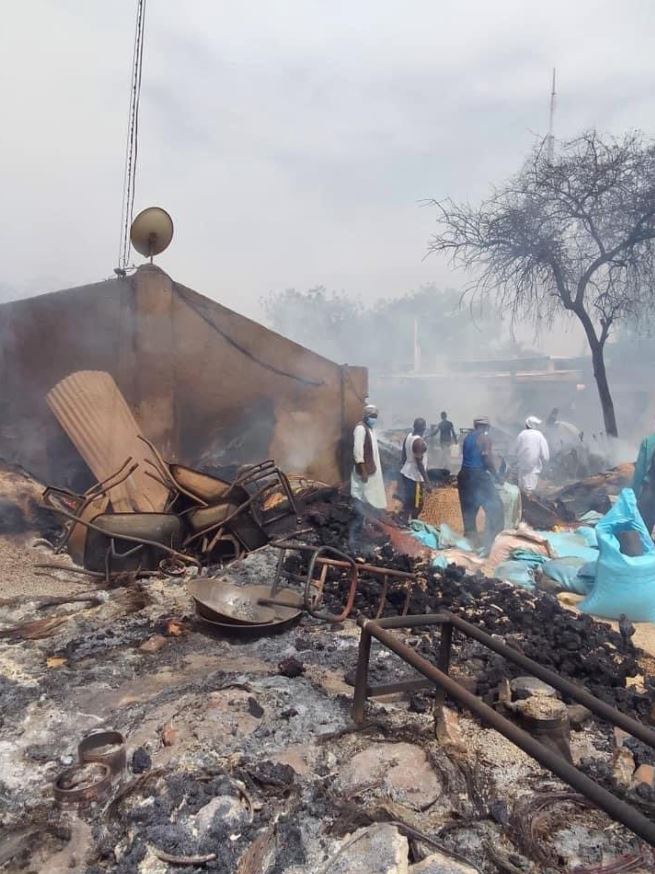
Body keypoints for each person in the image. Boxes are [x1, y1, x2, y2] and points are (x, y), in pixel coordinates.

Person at [457, 416, 504, 549]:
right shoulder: (485, 438)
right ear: (485, 427)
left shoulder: (466, 438)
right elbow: (487, 460)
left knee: (469, 511)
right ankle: (495, 542)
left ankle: (470, 541)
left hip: (464, 475)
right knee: (496, 507)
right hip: (478, 476)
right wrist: (497, 476)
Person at [349, 403, 386, 549]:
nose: (374, 419)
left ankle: (363, 529)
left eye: (375, 416)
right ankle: (355, 536)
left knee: (367, 498)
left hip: (371, 471)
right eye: (372, 416)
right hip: (364, 472)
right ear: (365, 416)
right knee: (362, 500)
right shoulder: (360, 429)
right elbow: (358, 451)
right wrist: (363, 470)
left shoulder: (369, 429)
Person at [400, 418, 429, 522]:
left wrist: (405, 468)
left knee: (409, 501)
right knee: (418, 504)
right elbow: (420, 464)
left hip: (406, 472)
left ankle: (406, 521)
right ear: (424, 428)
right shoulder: (419, 442)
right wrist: (427, 482)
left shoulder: (408, 437)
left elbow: (403, 455)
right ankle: (413, 522)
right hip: (415, 476)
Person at [514, 416, 550, 493]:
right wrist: (545, 462)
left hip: (521, 468)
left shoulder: (521, 434)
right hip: (533, 469)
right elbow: (545, 454)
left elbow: (515, 449)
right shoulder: (539, 435)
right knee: (530, 491)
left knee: (521, 490)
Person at [633, 426, 655, 536]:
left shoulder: (648, 441)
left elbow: (639, 474)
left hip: (649, 491)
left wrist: (634, 496)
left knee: (643, 531)